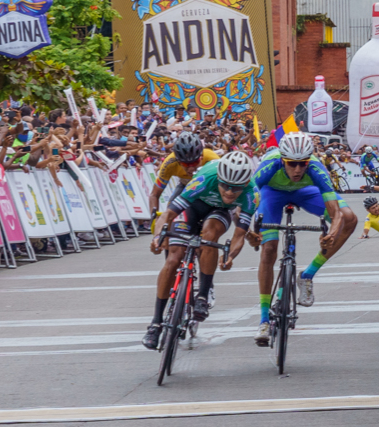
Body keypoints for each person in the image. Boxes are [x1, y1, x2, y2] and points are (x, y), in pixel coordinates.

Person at [142, 151, 257, 349]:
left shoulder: (252, 194)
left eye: (235, 188)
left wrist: (230, 256)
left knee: (210, 236)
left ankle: (202, 295)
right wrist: (157, 237)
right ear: (219, 178)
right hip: (193, 205)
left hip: (219, 213)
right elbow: (167, 215)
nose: (229, 192)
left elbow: (239, 236)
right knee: (173, 257)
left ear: (245, 184)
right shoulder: (205, 178)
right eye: (225, 186)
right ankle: (155, 323)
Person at [252, 132, 357, 345]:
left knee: (349, 218)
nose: (298, 169)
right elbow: (249, 199)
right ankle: (264, 320)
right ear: (283, 160)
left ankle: (307, 275)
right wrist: (249, 228)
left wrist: (331, 233)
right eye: (292, 164)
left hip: (306, 191)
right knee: (269, 248)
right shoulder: (268, 165)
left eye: (303, 164)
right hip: (272, 193)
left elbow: (336, 213)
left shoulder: (317, 169)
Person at [146, 131, 219, 219]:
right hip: (185, 185)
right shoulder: (169, 163)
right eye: (185, 164)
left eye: (195, 162)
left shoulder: (211, 157)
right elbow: (154, 194)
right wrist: (154, 219)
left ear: (202, 157)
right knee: (168, 215)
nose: (191, 168)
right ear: (178, 161)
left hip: (208, 188)